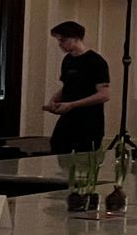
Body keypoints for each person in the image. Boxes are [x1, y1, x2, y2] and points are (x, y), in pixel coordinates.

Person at [44, 20, 110, 154]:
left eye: (62, 40)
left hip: (89, 122)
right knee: (58, 147)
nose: (60, 44)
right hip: (68, 120)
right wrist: (53, 101)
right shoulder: (67, 60)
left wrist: (72, 105)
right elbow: (67, 86)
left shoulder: (96, 61)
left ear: (74, 38)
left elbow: (104, 94)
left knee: (82, 162)